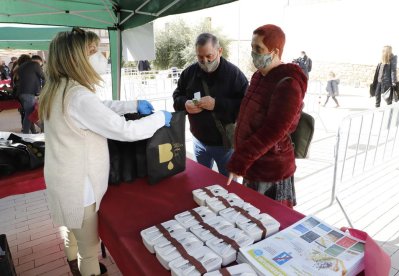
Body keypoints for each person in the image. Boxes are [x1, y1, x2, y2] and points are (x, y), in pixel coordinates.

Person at [38, 28, 172, 276]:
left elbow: (99, 108)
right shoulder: (77, 96)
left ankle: (71, 264)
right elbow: (125, 131)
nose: (101, 55)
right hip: (79, 185)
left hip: (62, 179)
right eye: (93, 51)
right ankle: (86, 269)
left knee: (72, 230)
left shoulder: (58, 88)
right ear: (76, 58)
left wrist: (132, 105)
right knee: (89, 248)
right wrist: (159, 119)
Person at [226, 24, 307, 208]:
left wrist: (239, 160)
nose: (253, 53)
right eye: (252, 48)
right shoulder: (259, 76)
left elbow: (272, 132)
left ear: (274, 51)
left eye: (258, 49)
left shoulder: (288, 84)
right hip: (253, 165)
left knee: (270, 222)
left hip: (271, 171)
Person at [173, 32, 248, 176]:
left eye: (209, 56)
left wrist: (217, 104)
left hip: (224, 145)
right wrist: (185, 105)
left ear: (219, 51)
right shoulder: (189, 73)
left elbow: (245, 107)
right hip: (198, 141)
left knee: (228, 189)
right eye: (200, 57)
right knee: (202, 182)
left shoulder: (234, 75)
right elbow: (176, 97)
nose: (205, 62)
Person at [17, 55, 45, 133]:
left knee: (30, 113)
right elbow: (43, 76)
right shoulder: (35, 64)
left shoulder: (20, 67)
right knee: (30, 114)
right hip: (29, 93)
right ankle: (26, 133)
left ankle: (32, 131)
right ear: (37, 61)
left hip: (22, 94)